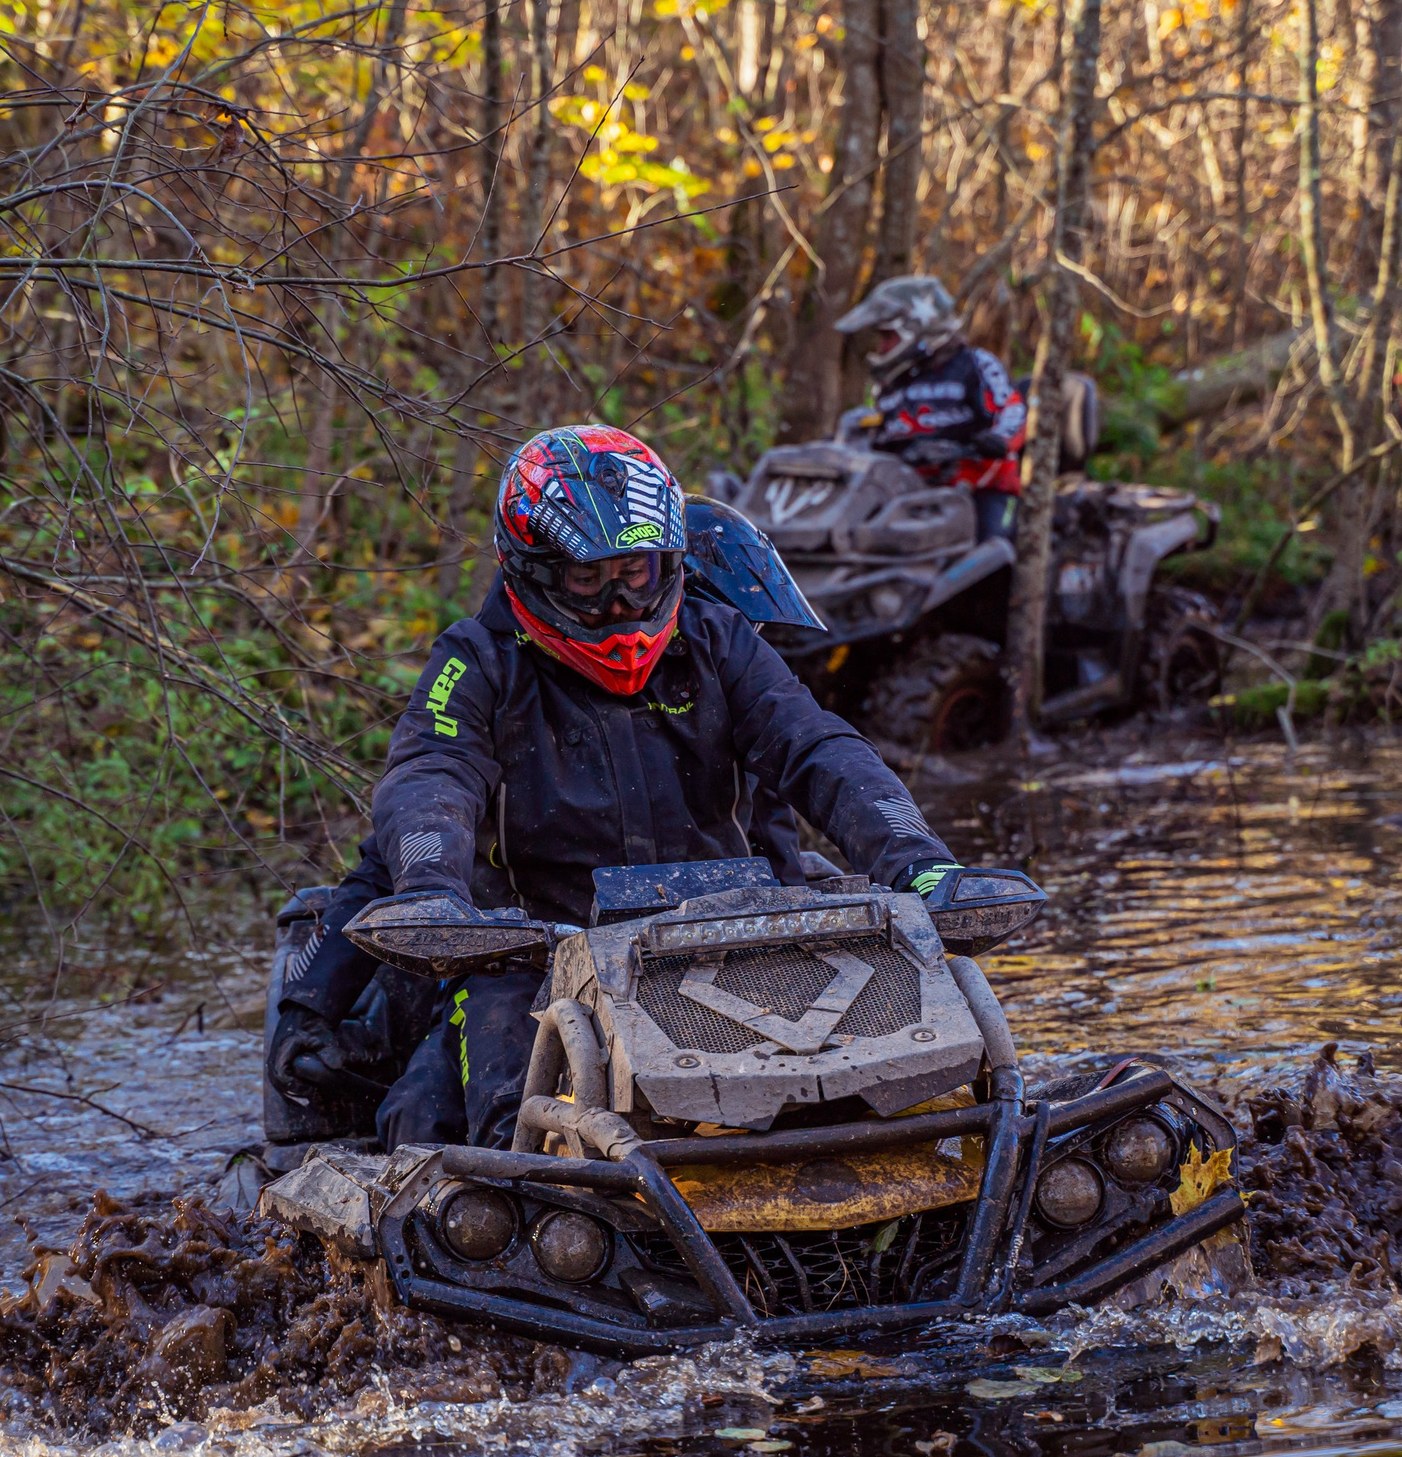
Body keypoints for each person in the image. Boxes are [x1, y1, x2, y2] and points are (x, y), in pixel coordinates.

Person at [269, 425, 965, 1152]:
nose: (617, 601)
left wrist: (917, 857)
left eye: (634, 571)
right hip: (537, 956)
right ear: (532, 569)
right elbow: (429, 776)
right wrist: (428, 887)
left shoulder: (717, 637)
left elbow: (819, 747)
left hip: (741, 932)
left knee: (907, 1089)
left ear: (668, 561)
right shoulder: (478, 661)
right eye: (587, 579)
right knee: (439, 1119)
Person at [833, 275, 1030, 543]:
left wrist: (997, 440)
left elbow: (1012, 410)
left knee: (993, 550)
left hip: (979, 492)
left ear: (918, 329)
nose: (883, 347)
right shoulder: (893, 382)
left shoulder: (974, 365)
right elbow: (877, 434)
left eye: (888, 337)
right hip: (905, 495)